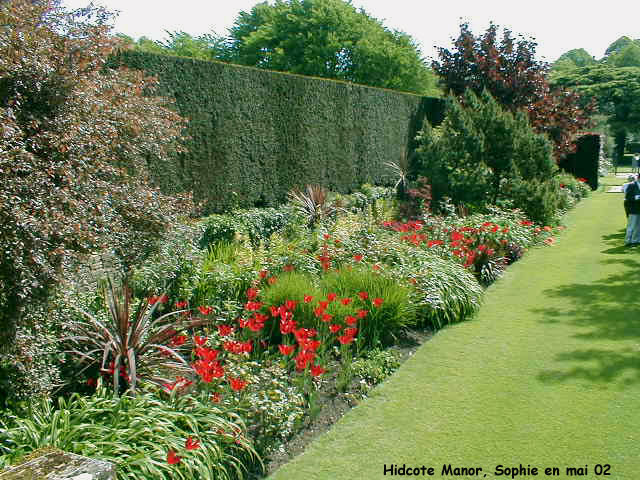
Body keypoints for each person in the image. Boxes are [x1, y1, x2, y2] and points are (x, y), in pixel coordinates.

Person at [625, 173, 640, 245]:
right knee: (631, 225)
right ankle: (628, 241)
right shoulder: (631, 185)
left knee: (638, 226)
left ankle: (635, 240)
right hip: (633, 209)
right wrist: (636, 197)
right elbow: (627, 197)